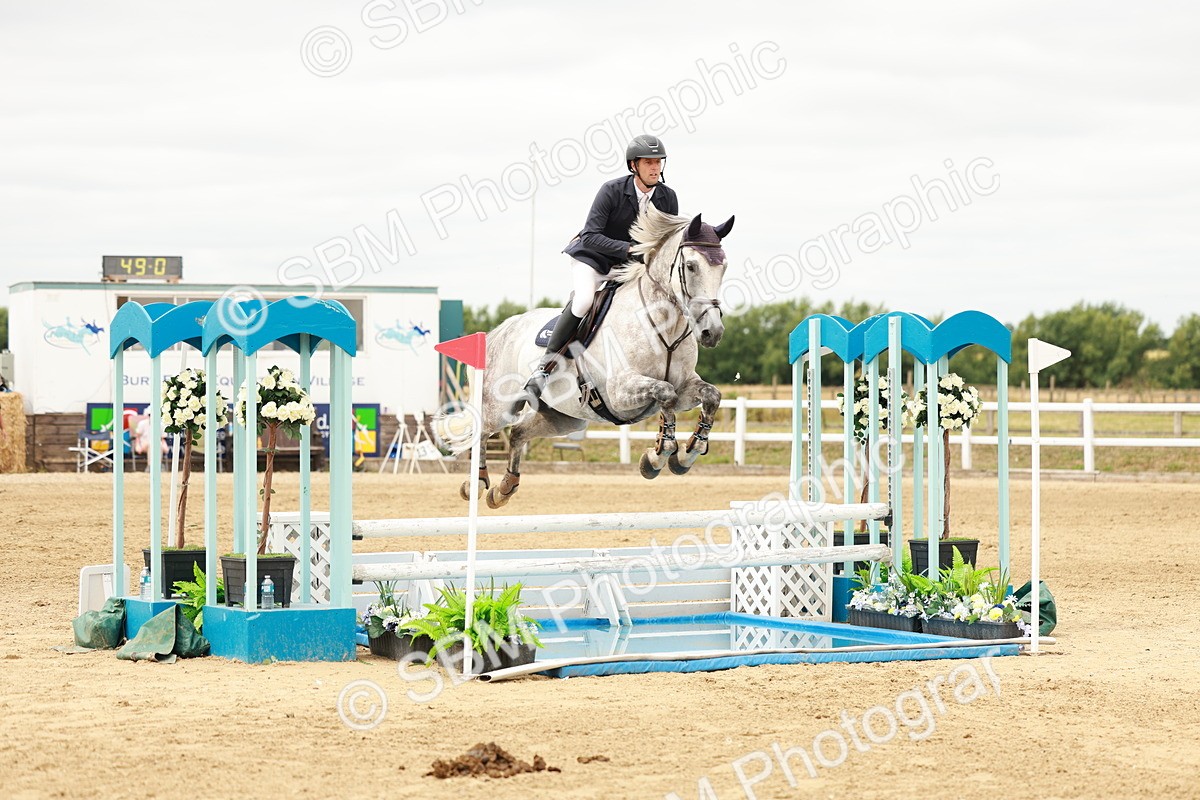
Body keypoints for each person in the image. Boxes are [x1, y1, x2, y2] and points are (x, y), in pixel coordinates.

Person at [522, 134, 679, 406]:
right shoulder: (612, 190)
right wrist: (629, 250)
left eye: (658, 162)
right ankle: (543, 369)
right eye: (649, 162)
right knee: (584, 301)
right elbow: (591, 235)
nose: (655, 168)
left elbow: (666, 242)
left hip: (628, 267)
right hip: (593, 258)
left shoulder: (667, 197)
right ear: (634, 166)